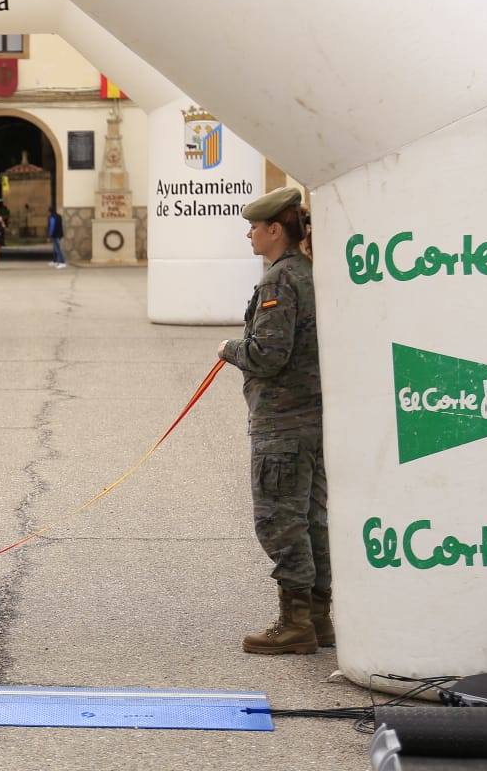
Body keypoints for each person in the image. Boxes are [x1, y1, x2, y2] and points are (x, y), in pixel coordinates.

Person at [216, 187, 329, 656]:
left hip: (283, 421)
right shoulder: (305, 274)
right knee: (311, 518)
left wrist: (229, 350)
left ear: (275, 230)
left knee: (280, 521)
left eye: (255, 227)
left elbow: (268, 354)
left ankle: (295, 622)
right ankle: (320, 616)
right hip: (311, 417)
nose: (249, 233)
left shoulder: (279, 281)